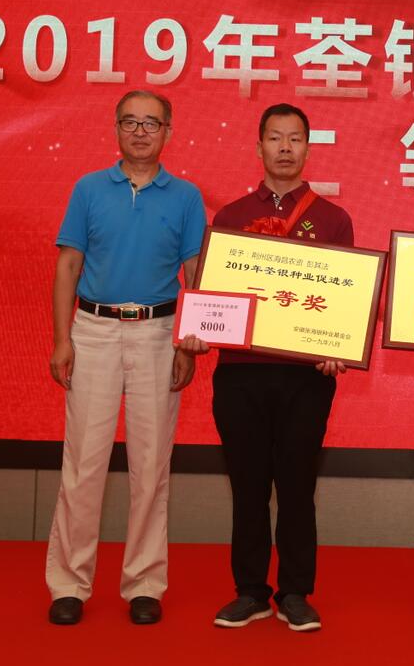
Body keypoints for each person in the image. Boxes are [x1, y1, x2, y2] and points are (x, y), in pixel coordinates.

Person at [181, 103, 353, 633]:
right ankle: (251, 591)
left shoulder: (333, 218)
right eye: (275, 138)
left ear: (308, 149)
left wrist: (340, 344)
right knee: (248, 486)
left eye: (294, 138)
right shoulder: (230, 217)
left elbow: (346, 297)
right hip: (241, 372)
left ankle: (295, 591)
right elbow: (213, 293)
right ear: (259, 147)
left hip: (306, 377)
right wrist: (199, 330)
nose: (285, 147)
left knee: (298, 486)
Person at [46, 90, 206, 626]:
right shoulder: (89, 189)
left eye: (151, 123)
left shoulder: (186, 197)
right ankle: (69, 583)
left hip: (158, 334)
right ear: (115, 128)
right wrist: (62, 338)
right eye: (130, 122)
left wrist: (187, 341)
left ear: (168, 132)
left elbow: (195, 274)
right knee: (83, 464)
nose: (140, 132)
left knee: (151, 466)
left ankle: (144, 583)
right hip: (92, 332)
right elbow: (68, 265)